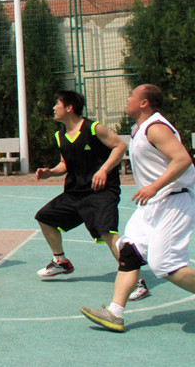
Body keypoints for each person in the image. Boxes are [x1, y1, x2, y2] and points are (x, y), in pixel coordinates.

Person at [81, 84, 195, 332]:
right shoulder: (138, 129)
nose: (128, 98)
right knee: (129, 252)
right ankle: (115, 313)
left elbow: (183, 159)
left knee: (165, 265)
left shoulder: (156, 128)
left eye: (132, 95)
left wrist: (154, 187)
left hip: (173, 201)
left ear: (144, 103)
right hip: (152, 205)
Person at [35, 90, 129, 279]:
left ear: (69, 107)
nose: (54, 107)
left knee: (108, 232)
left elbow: (120, 146)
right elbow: (65, 164)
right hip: (76, 193)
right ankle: (60, 261)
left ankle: (134, 278)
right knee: (44, 218)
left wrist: (104, 170)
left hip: (101, 191)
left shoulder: (94, 128)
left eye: (57, 103)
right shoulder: (60, 135)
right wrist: (50, 172)